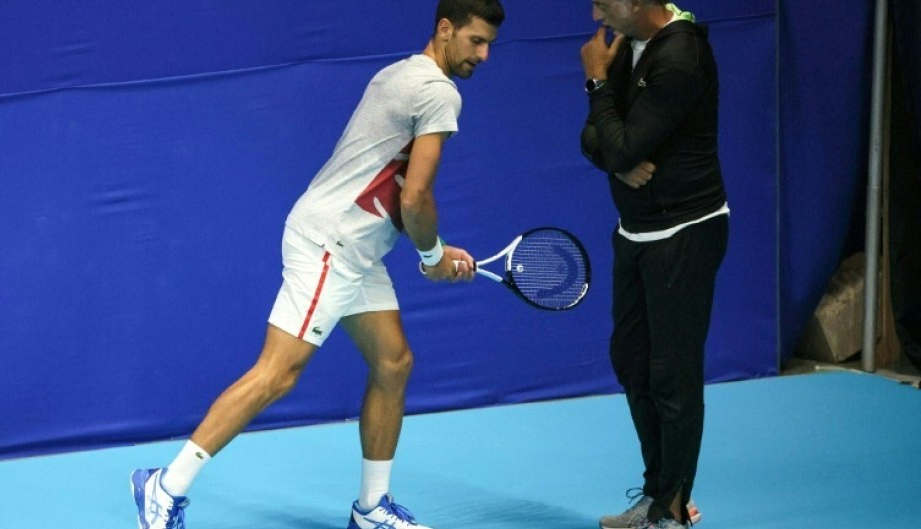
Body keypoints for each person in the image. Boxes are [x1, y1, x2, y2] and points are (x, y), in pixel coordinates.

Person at [130, 2, 504, 528]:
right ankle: (164, 488)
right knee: (277, 374)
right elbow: (415, 198)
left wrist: (438, 249)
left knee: (393, 363)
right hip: (332, 245)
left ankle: (371, 508)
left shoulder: (396, 73)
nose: (484, 55)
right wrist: (432, 257)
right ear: (445, 30)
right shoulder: (440, 93)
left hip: (353, 245)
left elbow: (391, 188)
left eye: (489, 44)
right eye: (475, 41)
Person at [579, 1, 729, 528]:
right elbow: (595, 141)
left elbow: (617, 141)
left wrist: (597, 86)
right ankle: (655, 493)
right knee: (632, 360)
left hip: (684, 233)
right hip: (637, 233)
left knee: (672, 375)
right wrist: (618, 161)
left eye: (604, 0)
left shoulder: (680, 58)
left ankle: (672, 512)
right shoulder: (627, 47)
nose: (594, 9)